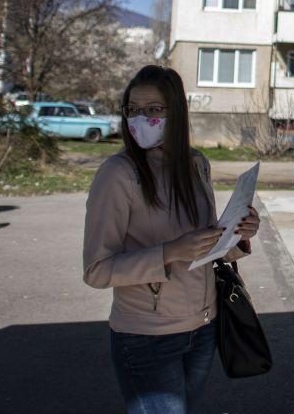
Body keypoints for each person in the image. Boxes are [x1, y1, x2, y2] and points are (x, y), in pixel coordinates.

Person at [83, 65, 261, 414]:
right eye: (133, 110)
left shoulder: (197, 164)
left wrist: (238, 236)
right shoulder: (119, 174)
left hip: (203, 328)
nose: (140, 118)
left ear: (176, 112)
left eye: (153, 109)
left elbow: (206, 247)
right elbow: (96, 270)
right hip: (147, 337)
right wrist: (168, 253)